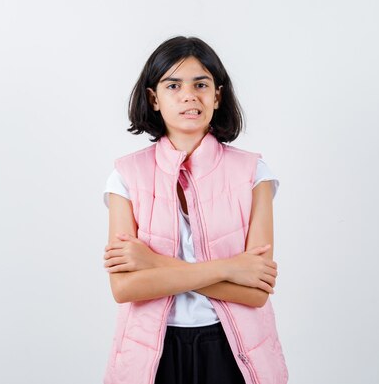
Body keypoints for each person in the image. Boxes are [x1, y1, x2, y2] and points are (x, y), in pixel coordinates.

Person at [102, 36, 289, 384]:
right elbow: (124, 289)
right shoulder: (125, 175)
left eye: (201, 84)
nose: (189, 95)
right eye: (174, 84)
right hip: (152, 352)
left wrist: (154, 263)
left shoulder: (254, 173)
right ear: (153, 98)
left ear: (217, 96)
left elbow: (255, 291)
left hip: (232, 347)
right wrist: (230, 269)